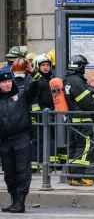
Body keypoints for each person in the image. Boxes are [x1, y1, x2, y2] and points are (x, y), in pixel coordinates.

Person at [64, 54, 94, 186]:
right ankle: (77, 177)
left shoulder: (68, 79)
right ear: (79, 67)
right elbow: (86, 102)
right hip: (82, 120)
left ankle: (71, 176)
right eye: (84, 66)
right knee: (84, 147)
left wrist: (90, 89)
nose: (84, 69)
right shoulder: (76, 81)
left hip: (73, 121)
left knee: (74, 148)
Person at [0, 70, 36, 213]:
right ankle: (14, 200)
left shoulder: (21, 95)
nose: (7, 84)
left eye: (9, 81)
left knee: (22, 171)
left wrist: (32, 75)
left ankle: (20, 202)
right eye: (3, 82)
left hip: (21, 138)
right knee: (9, 173)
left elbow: (34, 89)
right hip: (4, 141)